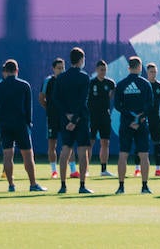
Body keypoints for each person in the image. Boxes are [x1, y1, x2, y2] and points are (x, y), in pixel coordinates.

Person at [0, 59, 46, 193]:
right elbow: (28, 107)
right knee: (28, 155)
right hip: (21, 124)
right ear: (16, 70)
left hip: (4, 125)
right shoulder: (24, 85)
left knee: (7, 155)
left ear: (5, 71)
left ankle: (11, 185)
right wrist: (29, 122)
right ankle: (33, 184)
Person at [54, 47, 94, 194]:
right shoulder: (84, 77)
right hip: (81, 119)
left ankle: (63, 185)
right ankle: (82, 185)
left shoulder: (61, 77)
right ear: (81, 60)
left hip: (66, 120)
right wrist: (76, 118)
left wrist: (67, 116)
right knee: (82, 152)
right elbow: (83, 100)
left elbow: (56, 99)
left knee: (65, 149)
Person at [114, 56, 155, 194]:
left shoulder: (121, 84)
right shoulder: (145, 84)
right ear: (139, 67)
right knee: (144, 155)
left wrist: (131, 118)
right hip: (141, 124)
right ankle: (144, 186)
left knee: (123, 154)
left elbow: (117, 105)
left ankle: (121, 187)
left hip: (126, 124)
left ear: (129, 67)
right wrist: (139, 118)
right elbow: (150, 105)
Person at [88, 59, 117, 177]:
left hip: (105, 116)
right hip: (93, 116)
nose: (103, 72)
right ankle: (85, 169)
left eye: (105, 70)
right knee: (90, 142)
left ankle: (103, 169)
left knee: (105, 142)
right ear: (96, 70)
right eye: (101, 69)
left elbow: (111, 96)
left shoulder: (110, 83)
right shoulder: (91, 83)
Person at [39, 57, 65, 178]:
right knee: (52, 145)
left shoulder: (67, 80)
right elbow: (41, 98)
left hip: (65, 118)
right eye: (58, 68)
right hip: (52, 118)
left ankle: (73, 169)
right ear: (53, 69)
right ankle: (54, 171)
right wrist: (50, 109)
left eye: (62, 67)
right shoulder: (48, 81)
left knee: (67, 144)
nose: (61, 70)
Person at [145, 62, 160, 177]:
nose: (153, 74)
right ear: (147, 72)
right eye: (151, 72)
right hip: (143, 117)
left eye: (154, 72)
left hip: (155, 118)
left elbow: (156, 103)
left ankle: (158, 169)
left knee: (157, 143)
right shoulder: (143, 85)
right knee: (142, 143)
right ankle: (137, 168)